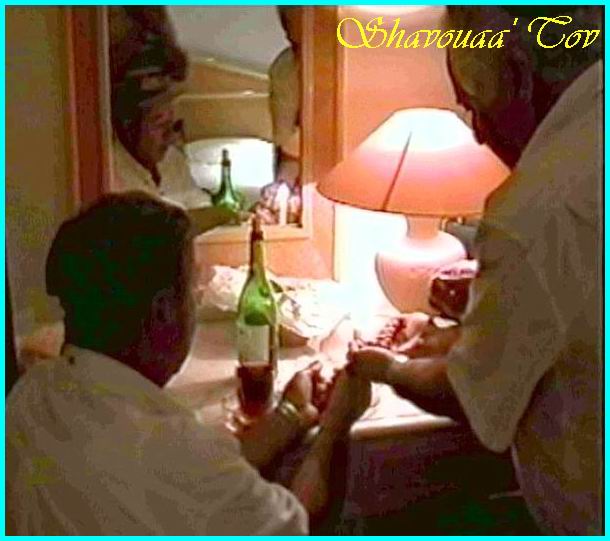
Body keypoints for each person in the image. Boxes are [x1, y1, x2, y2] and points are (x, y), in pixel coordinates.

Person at [349, 5, 602, 535]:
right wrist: (476, 319)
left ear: (517, 76)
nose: (480, 135)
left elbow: (470, 394)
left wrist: (386, 368)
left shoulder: (534, 211)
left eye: (474, 106)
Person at [6, 192, 371, 535]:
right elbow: (298, 525)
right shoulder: (172, 452)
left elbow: (201, 479)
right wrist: (334, 427)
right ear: (164, 311)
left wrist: (290, 413)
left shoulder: (32, 394)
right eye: (193, 292)